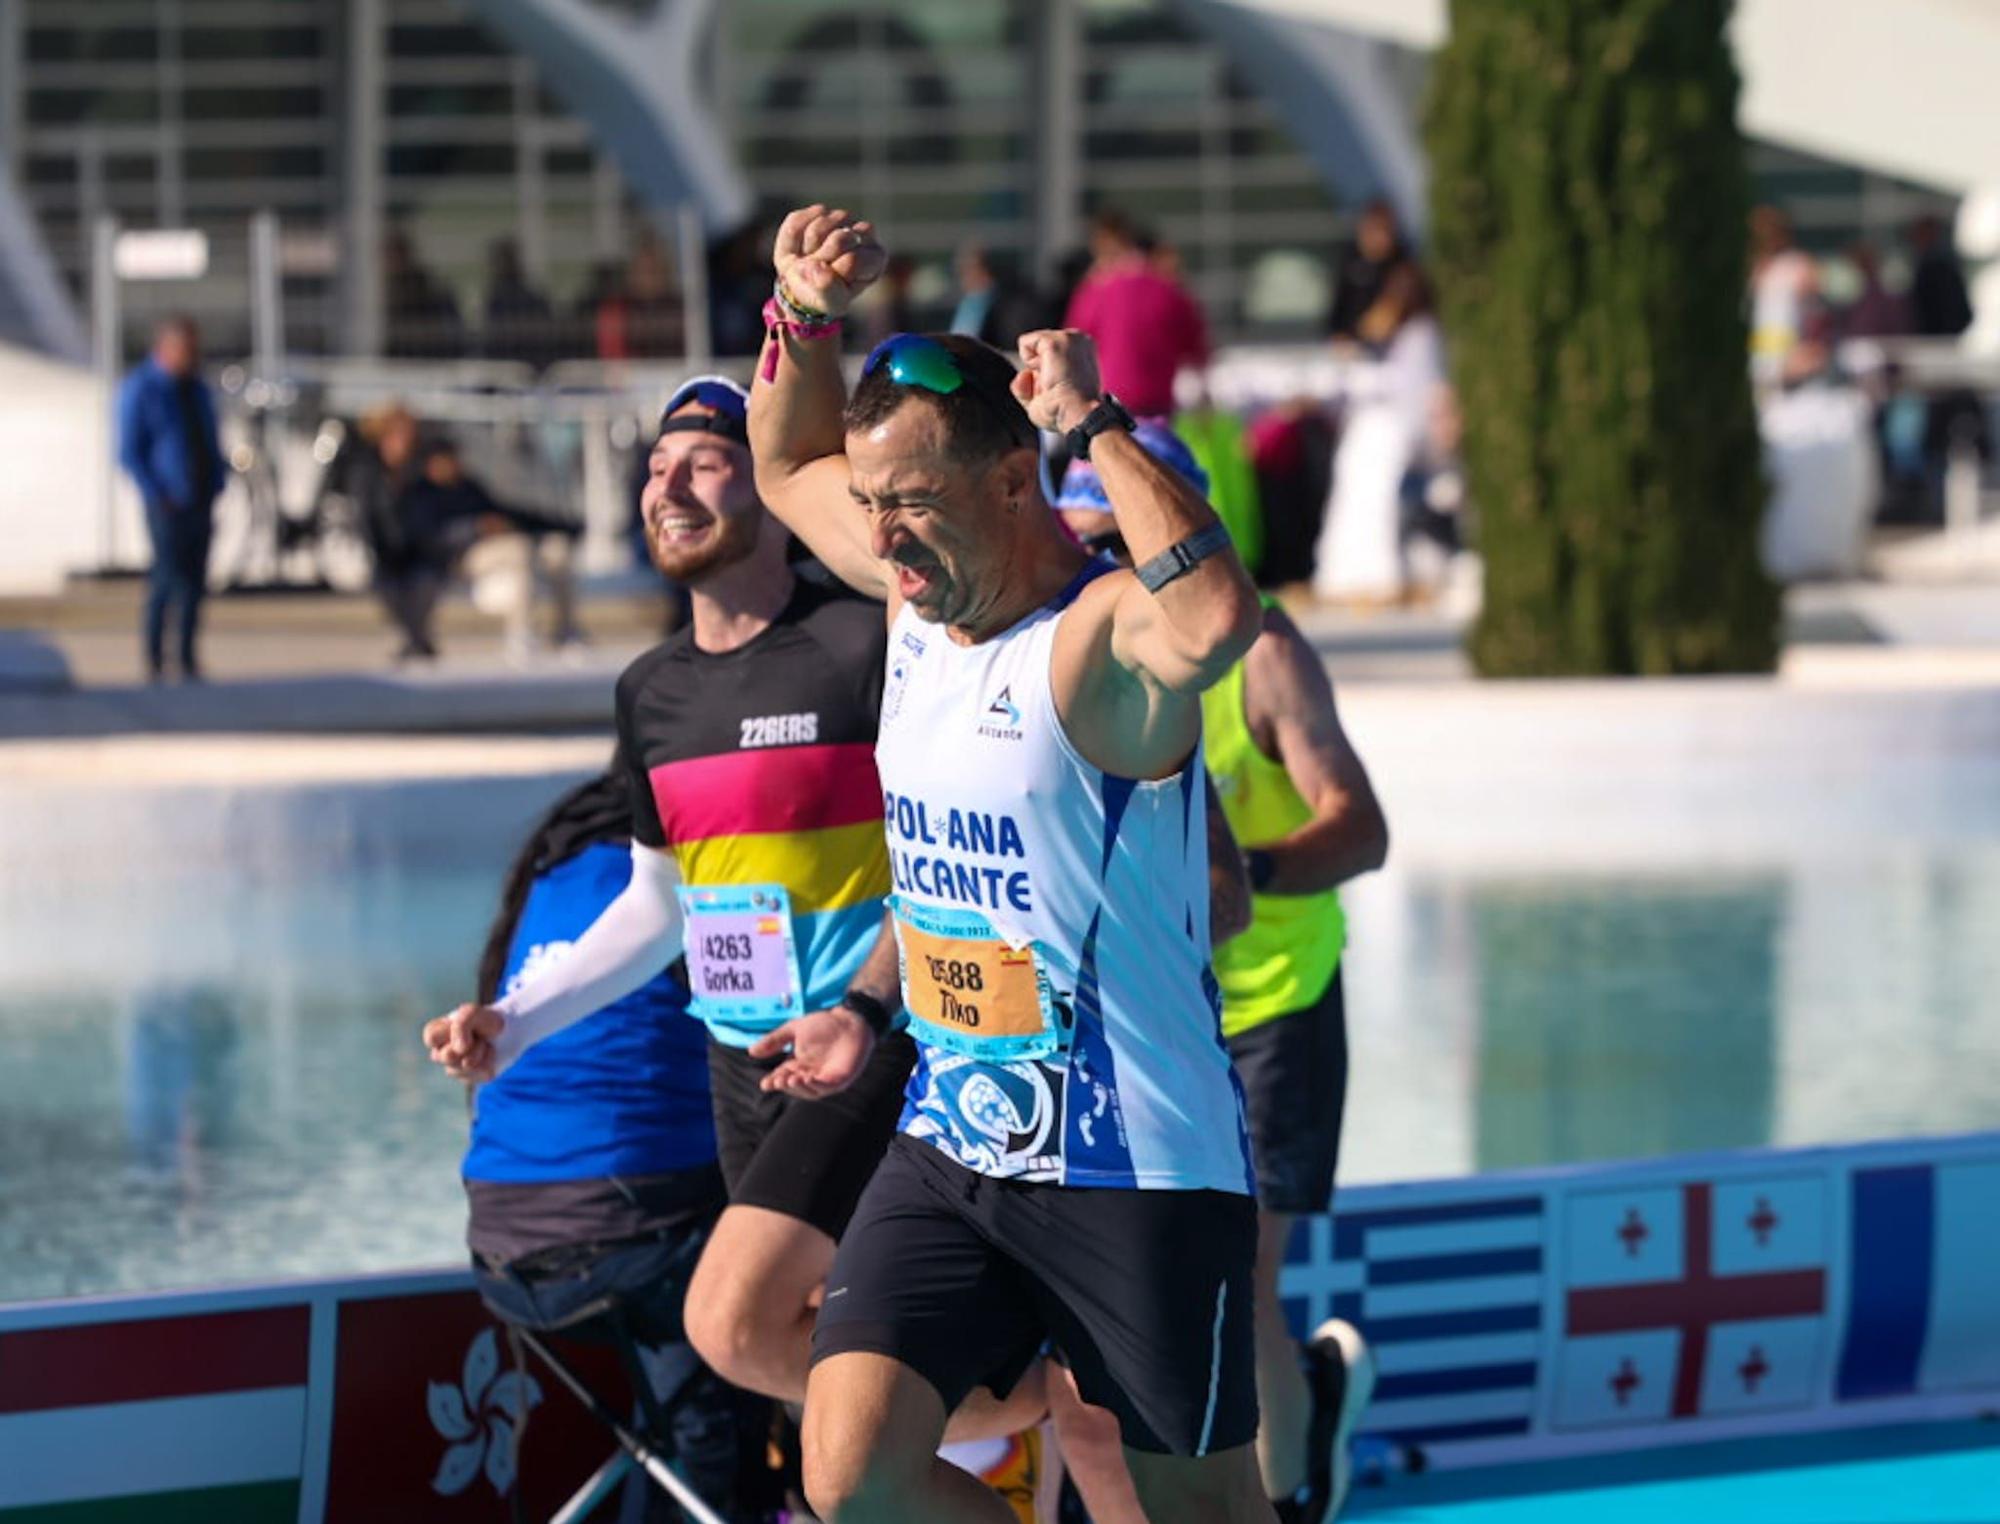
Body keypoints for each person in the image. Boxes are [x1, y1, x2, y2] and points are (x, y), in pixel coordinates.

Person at [749, 205, 1270, 1522]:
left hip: (1136, 1166)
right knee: (849, 1474)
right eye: (871, 510)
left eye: (910, 507)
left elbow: (1215, 614)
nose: (884, 541)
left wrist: (1095, 422)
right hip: (955, 1147)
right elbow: (782, 462)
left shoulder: (1097, 633)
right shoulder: (914, 593)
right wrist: (804, 313)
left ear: (1007, 484)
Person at [424, 378, 1042, 1450]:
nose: (667, 483)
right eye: (655, 466)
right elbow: (657, 907)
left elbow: (950, 858)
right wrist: (512, 1021)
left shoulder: (864, 643)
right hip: (743, 1068)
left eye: (700, 460)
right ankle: (1050, 1405)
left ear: (763, 485)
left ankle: (1059, 1403)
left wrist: (867, 1003)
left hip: (884, 1052)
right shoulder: (651, 693)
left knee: (770, 1336)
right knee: (819, 1389)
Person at [1048, 424, 1391, 1524]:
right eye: (1080, 544)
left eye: (1121, 545)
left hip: (1268, 1006)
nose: (1101, 571)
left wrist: (1238, 871)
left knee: (1238, 1286)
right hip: (1142, 1019)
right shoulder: (1059, 654)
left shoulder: (1263, 655)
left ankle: (1287, 1492)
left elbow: (1361, 829)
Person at [461, 768, 759, 1522]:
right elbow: (768, 1056)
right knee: (798, 1266)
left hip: (500, 1247)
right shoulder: (706, 871)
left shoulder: (549, 871)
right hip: (639, 1236)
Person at [1312, 262, 1447, 606]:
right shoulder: (1406, 334)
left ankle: (1375, 574)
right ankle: (1355, 574)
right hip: (1384, 429)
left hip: (1396, 431)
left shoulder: (1420, 335)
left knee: (1373, 499)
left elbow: (1410, 390)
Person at [117, 315, 226, 683]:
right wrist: (156, 491)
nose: (192, 356)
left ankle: (187, 657)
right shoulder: (142, 388)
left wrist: (217, 481)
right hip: (166, 500)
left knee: (195, 580)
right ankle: (154, 658)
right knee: (166, 576)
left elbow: (210, 441)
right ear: (166, 348)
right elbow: (130, 450)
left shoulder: (195, 389)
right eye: (186, 348)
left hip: (200, 497)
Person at [1063, 209, 1210, 419]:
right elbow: (1197, 348)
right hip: (1157, 402)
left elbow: (1072, 342)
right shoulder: (1168, 287)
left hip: (1108, 404)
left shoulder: (1095, 290)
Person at [1326, 201, 1407, 346]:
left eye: (1383, 231)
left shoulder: (1401, 267)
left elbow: (1386, 319)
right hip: (1351, 349)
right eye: (1371, 230)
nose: (1377, 238)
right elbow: (1338, 309)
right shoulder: (1350, 260)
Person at [1908, 214, 1973, 339]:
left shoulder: (1938, 267)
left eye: (1921, 234)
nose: (1916, 239)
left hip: (1940, 336)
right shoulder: (1930, 264)